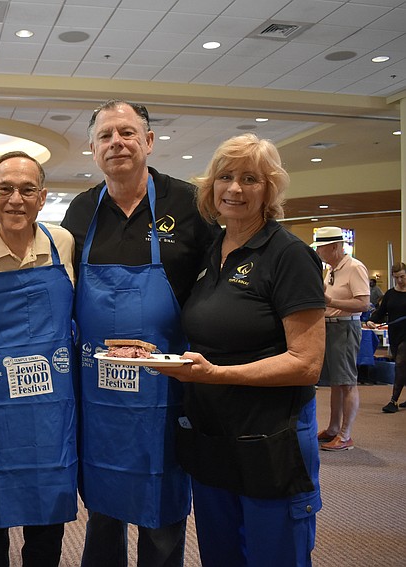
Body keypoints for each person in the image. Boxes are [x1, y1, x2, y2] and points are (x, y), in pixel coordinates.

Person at [60, 100, 217, 567]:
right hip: (99, 388)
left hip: (164, 387)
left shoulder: (188, 204)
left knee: (163, 508)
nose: (117, 143)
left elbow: (216, 286)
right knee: (104, 507)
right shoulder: (82, 209)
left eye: (127, 133)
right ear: (93, 149)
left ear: (148, 141)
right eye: (106, 136)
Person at [159, 133, 325, 567]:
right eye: (225, 177)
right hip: (212, 435)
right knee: (220, 555)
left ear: (269, 190)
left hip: (271, 439)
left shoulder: (288, 255)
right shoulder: (211, 250)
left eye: (250, 179)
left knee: (275, 556)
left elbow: (306, 363)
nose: (234, 189)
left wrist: (216, 375)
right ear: (211, 187)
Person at [0, 151, 77, 566]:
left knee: (48, 520)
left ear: (42, 197)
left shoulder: (63, 244)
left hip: (50, 411)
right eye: (5, 189)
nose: (15, 199)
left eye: (26, 190)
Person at [312, 226, 370, 451]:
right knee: (337, 382)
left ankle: (345, 435)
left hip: (345, 328)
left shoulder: (354, 267)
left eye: (321, 248)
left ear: (335, 247)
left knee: (346, 382)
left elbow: (363, 304)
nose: (318, 253)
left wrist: (329, 302)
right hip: (331, 328)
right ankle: (334, 428)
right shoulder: (333, 269)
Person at [368, 263, 406, 413]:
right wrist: (372, 320)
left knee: (400, 364)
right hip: (395, 334)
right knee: (403, 366)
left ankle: (393, 401)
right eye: (397, 277)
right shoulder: (390, 294)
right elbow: (381, 312)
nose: (400, 280)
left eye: (402, 276)